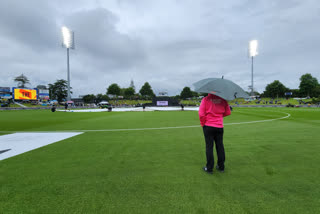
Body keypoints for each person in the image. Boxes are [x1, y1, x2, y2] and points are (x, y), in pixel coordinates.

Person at [199, 93, 231, 174]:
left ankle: (209, 168)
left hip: (208, 126)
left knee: (209, 147)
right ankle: (221, 167)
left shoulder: (205, 99)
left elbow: (201, 114)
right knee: (220, 146)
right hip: (219, 126)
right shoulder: (223, 100)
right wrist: (218, 116)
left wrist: (203, 124)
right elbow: (228, 112)